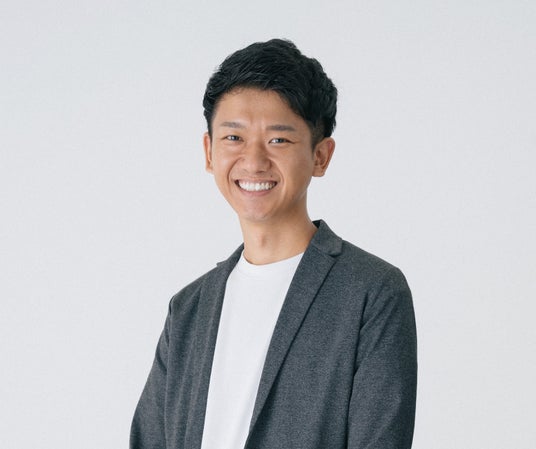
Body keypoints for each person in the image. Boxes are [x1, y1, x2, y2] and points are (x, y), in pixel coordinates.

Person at [130, 38, 417, 449]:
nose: (253, 161)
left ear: (321, 156)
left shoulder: (371, 292)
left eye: (278, 140)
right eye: (234, 137)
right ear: (209, 151)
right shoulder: (189, 309)